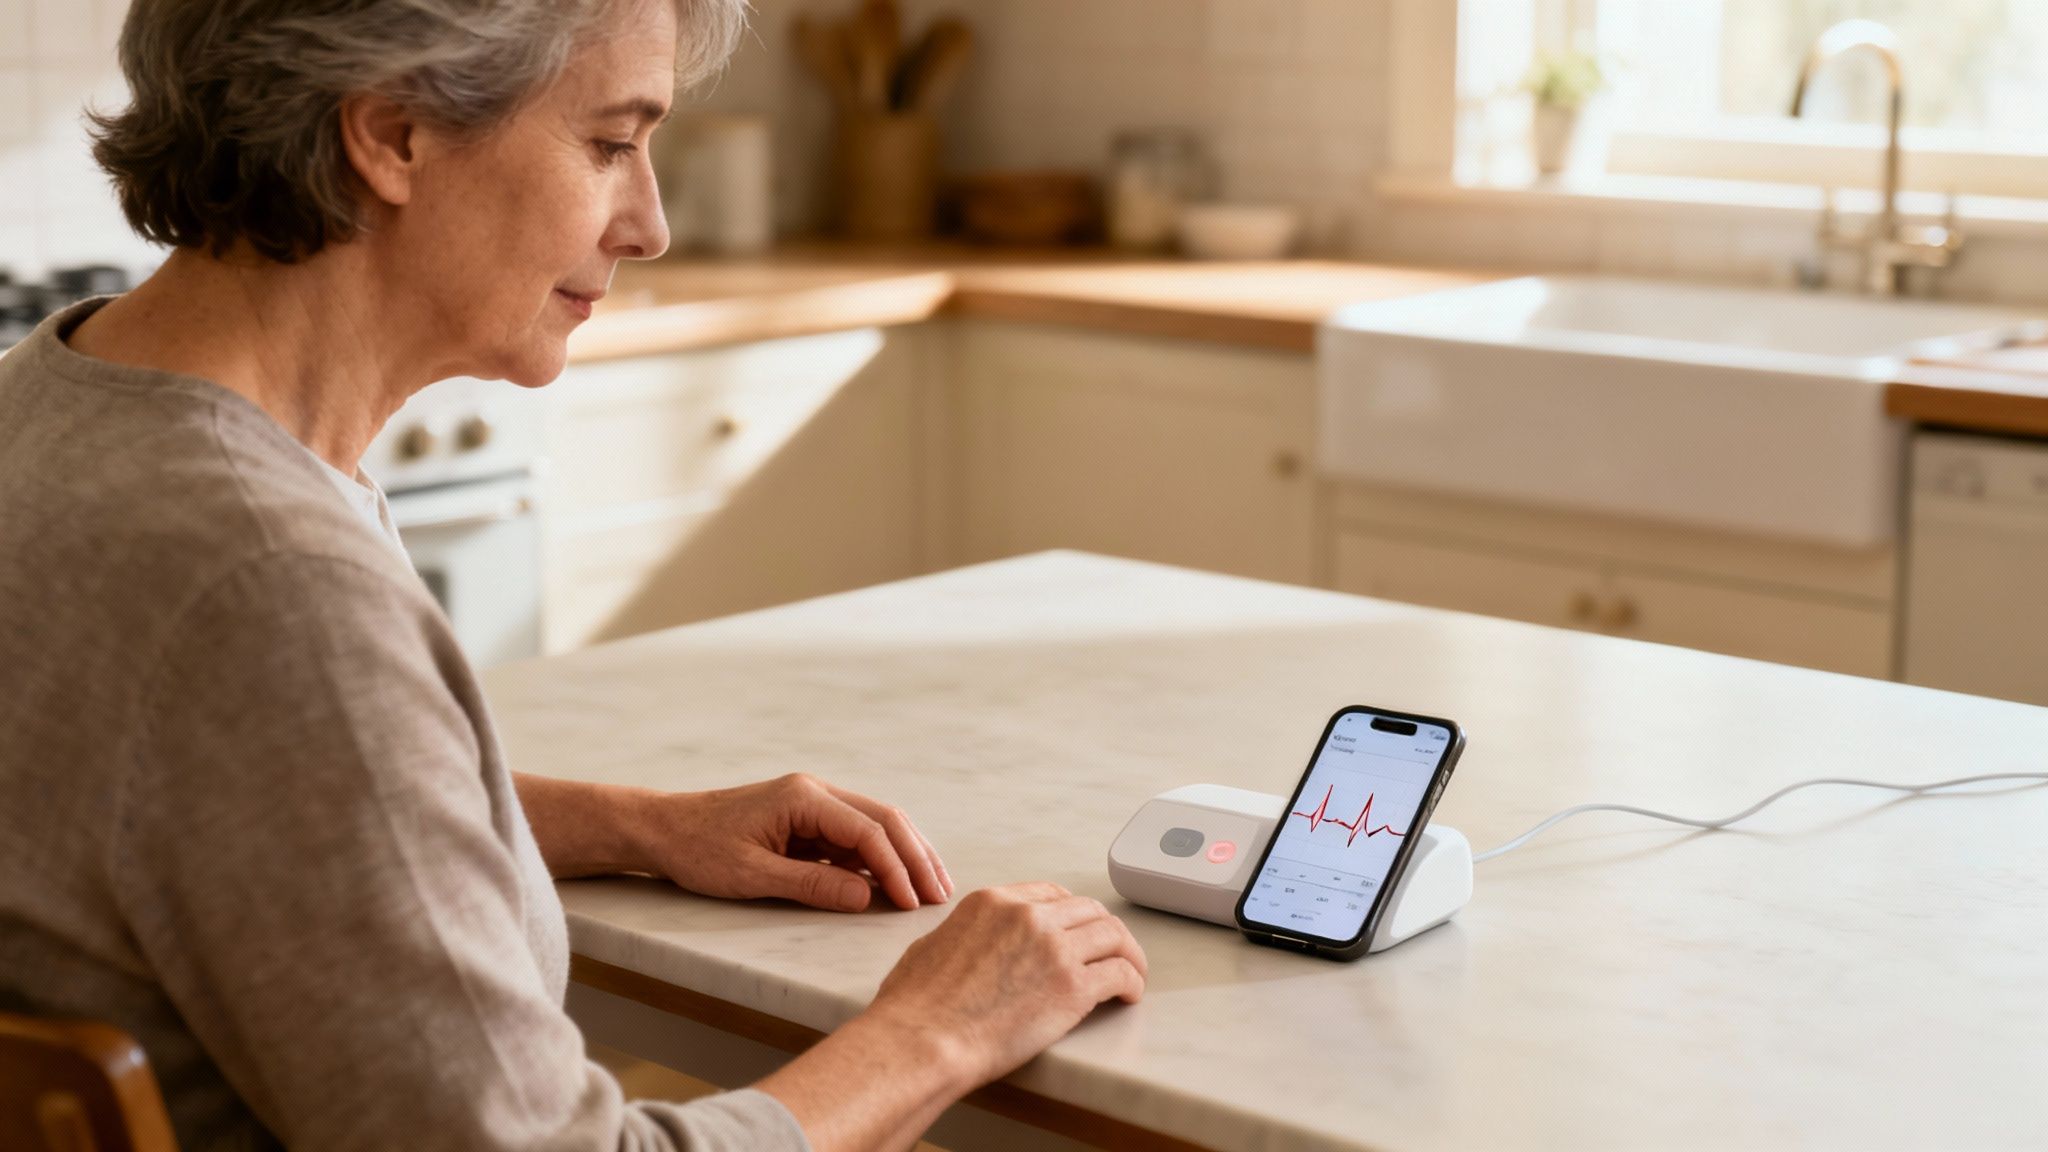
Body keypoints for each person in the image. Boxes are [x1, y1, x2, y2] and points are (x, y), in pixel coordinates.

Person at [0, 1, 1148, 1149]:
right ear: (393, 135)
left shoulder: (48, 402)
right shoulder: (269, 582)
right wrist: (937, 1031)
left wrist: (635, 827)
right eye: (609, 143)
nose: (648, 223)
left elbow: (235, 801)